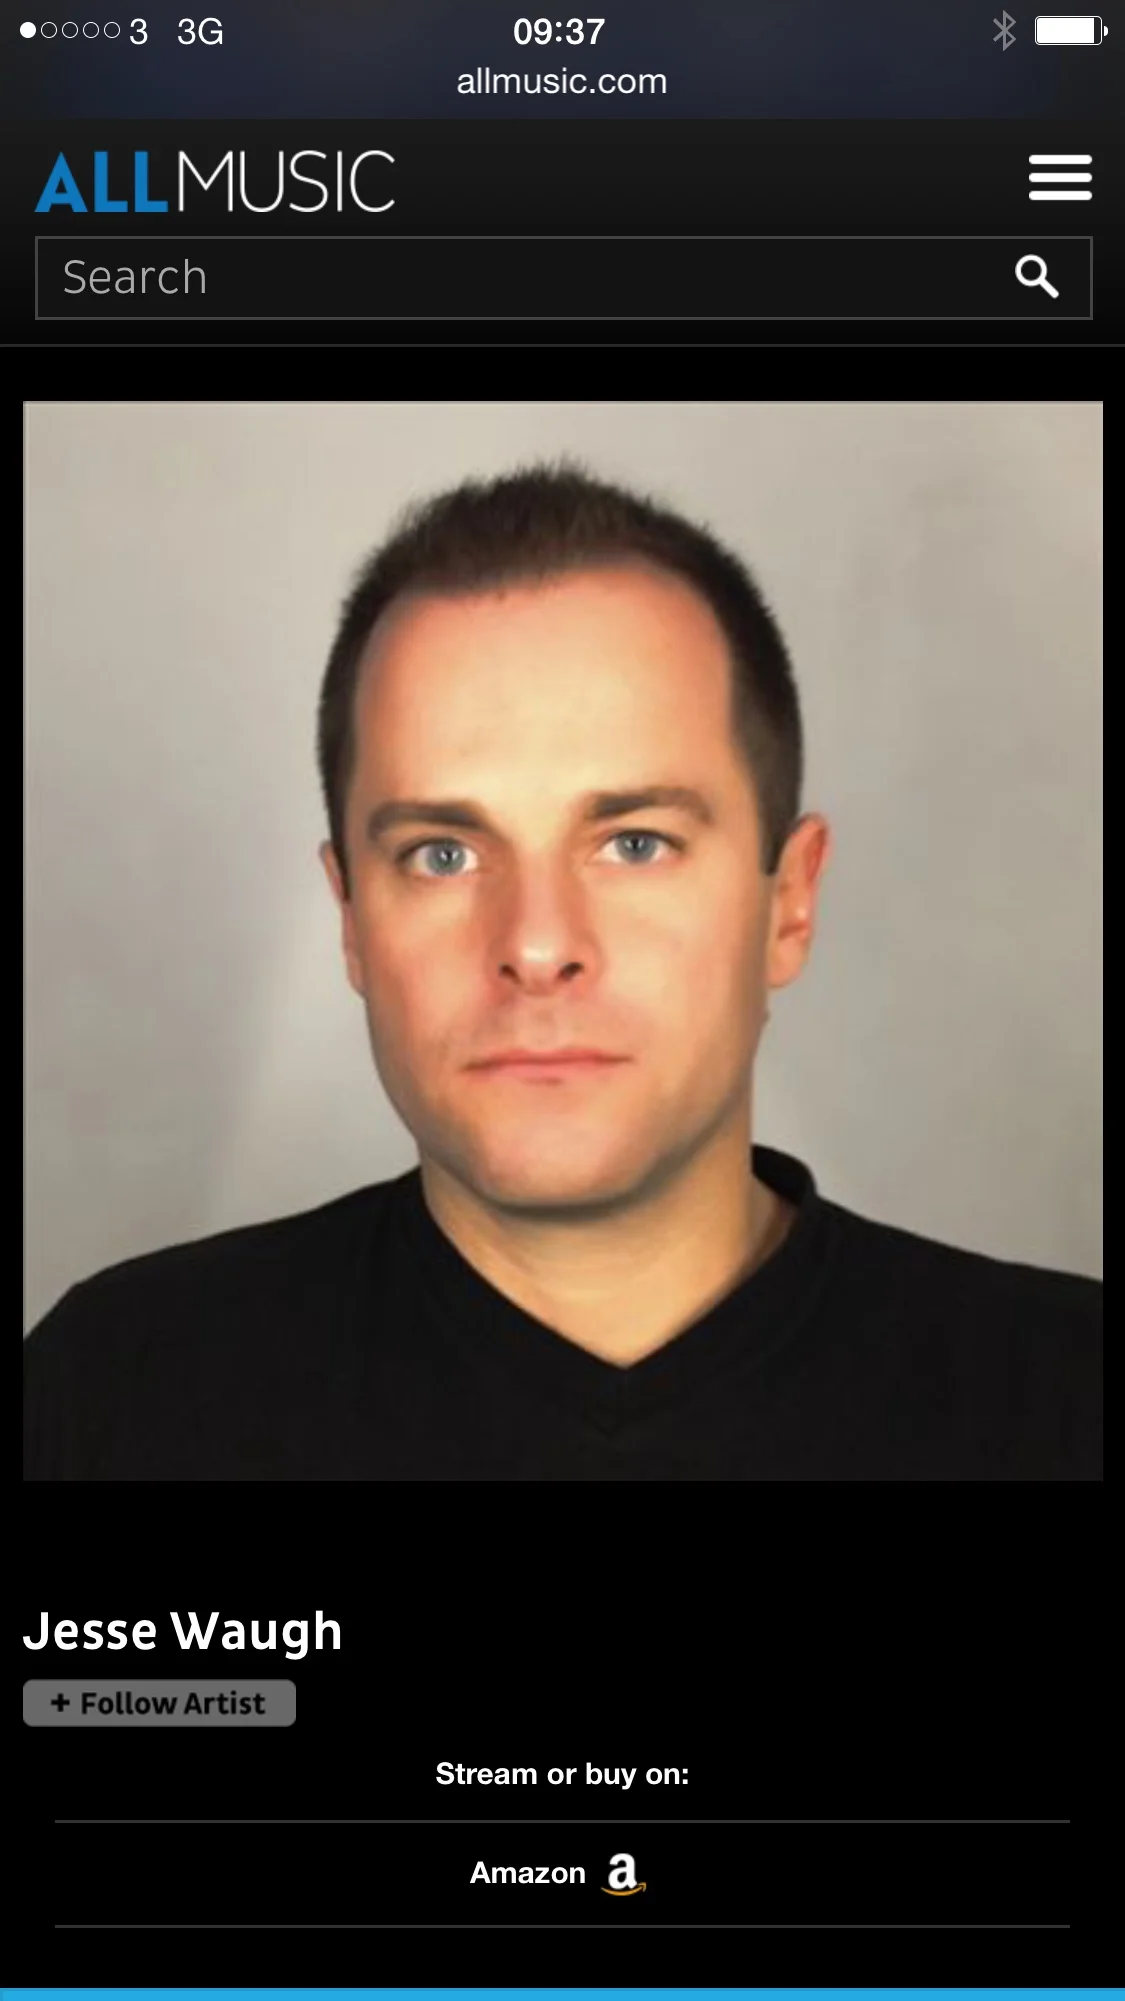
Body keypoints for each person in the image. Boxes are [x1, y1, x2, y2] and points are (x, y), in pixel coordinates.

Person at [23, 462, 1101, 1480]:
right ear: (350, 918)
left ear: (789, 902)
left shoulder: (1066, 1401)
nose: (537, 946)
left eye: (635, 843)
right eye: (441, 855)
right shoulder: (112, 1399)